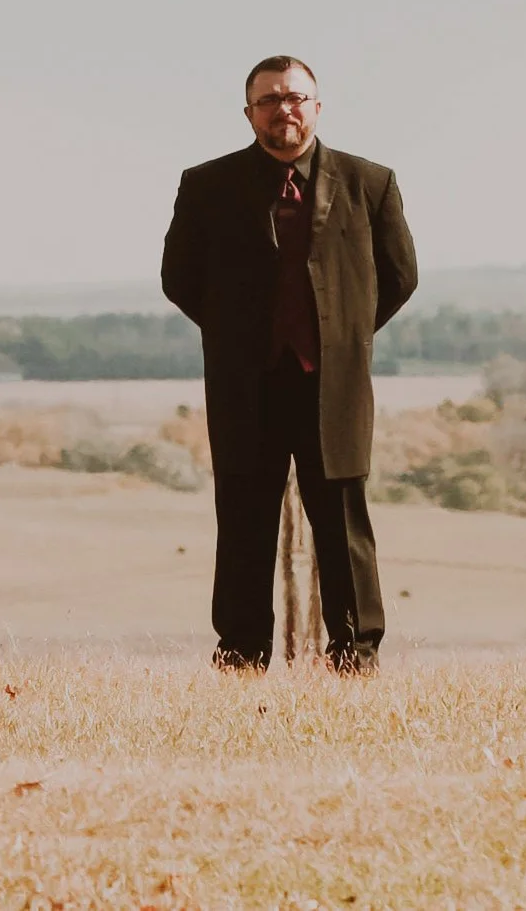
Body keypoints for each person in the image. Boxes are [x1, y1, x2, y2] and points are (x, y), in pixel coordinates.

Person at [161, 56, 419, 673]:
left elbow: (400, 277)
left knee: (343, 527)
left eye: (297, 97)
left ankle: (356, 656)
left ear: (318, 107)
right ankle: (242, 656)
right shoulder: (207, 186)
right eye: (270, 99)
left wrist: (341, 338)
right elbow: (179, 279)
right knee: (244, 523)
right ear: (249, 113)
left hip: (334, 388)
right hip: (246, 388)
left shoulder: (370, 183)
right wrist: (239, 337)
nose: (285, 109)